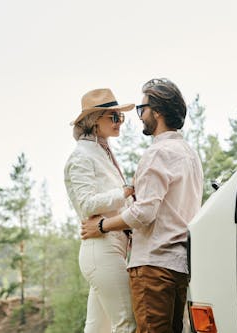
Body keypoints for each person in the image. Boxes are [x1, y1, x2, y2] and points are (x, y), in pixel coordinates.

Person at [81, 78, 204, 333]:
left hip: (153, 265)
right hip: (180, 266)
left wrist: (102, 225)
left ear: (157, 112)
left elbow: (144, 213)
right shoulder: (190, 155)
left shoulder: (157, 154)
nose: (139, 116)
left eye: (142, 109)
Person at [64, 88, 136, 333]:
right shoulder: (82, 156)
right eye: (114, 117)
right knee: (128, 324)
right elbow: (86, 204)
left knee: (97, 329)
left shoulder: (102, 152)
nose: (120, 122)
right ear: (95, 121)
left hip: (111, 248)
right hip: (102, 249)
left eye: (121, 117)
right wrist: (125, 192)